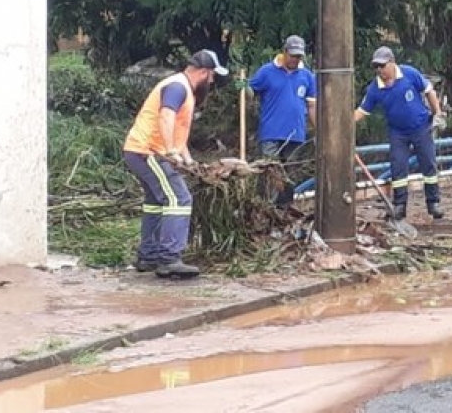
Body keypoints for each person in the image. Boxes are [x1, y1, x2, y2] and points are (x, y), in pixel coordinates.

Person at [122, 49, 228, 279]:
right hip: (149, 151)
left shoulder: (181, 87)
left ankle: (148, 256)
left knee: (156, 202)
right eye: (211, 76)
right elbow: (166, 116)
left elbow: (178, 132)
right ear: (203, 72)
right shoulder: (178, 87)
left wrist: (189, 161)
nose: (211, 81)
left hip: (140, 150)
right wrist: (170, 151)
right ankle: (169, 258)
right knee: (179, 198)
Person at [354, 46, 445, 220]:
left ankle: (433, 203)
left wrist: (437, 114)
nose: (380, 70)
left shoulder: (409, 74)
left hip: (421, 127)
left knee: (428, 164)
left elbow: (429, 91)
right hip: (398, 132)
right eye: (376, 67)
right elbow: (362, 111)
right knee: (398, 167)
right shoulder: (375, 88)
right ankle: (400, 205)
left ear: (392, 62)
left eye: (382, 66)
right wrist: (343, 123)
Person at [247, 35, 317, 161]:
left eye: (298, 56)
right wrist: (244, 87)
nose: (295, 60)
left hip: (295, 134)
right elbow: (250, 91)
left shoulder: (307, 76)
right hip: (271, 132)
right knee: (271, 172)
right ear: (284, 51)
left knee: (291, 174)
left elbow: (312, 106)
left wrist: (319, 130)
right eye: (292, 56)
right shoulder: (266, 71)